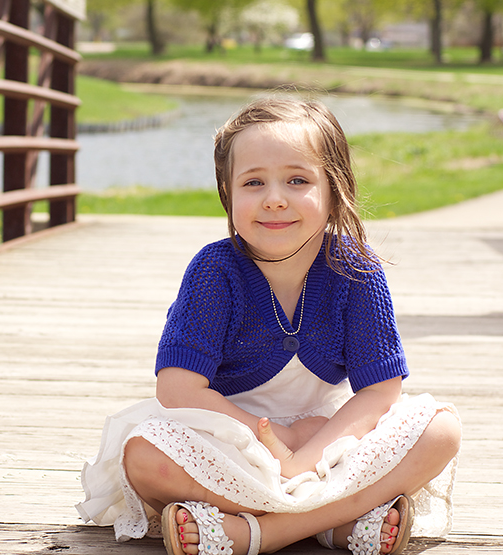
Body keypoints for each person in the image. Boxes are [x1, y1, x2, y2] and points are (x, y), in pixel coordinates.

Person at [76, 96, 461, 555]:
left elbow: (380, 391)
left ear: (334, 191)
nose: (274, 198)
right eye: (253, 182)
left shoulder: (356, 271)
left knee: (441, 430)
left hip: (325, 443)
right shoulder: (215, 272)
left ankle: (256, 533)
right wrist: (269, 447)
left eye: (297, 180)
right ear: (228, 193)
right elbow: (177, 390)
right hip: (228, 441)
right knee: (144, 455)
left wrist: (305, 459)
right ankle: (335, 522)